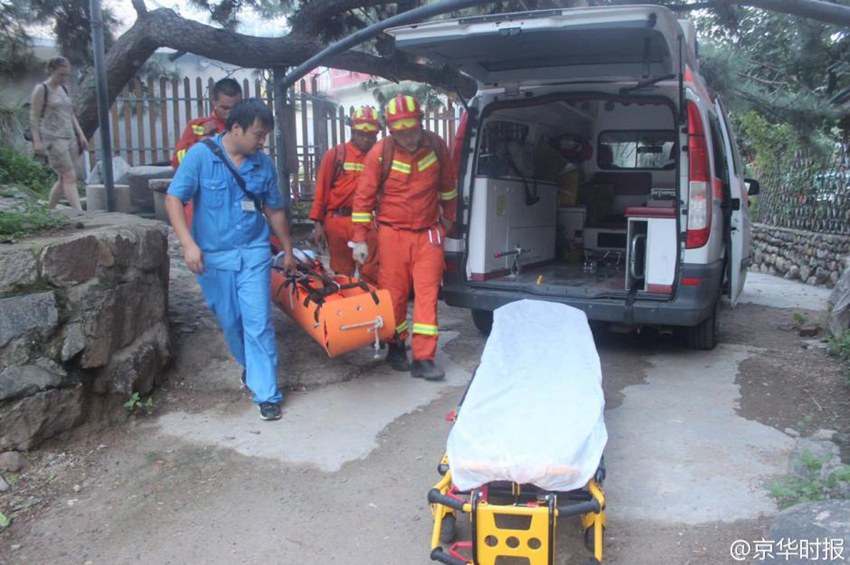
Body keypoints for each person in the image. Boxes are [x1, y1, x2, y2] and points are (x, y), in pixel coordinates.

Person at [165, 98, 296, 421]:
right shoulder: (200, 156)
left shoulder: (261, 164)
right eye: (258, 134)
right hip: (212, 258)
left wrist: (288, 250)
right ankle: (250, 367)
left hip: (253, 252)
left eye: (265, 135)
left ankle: (267, 393)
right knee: (231, 321)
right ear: (235, 129)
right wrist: (187, 244)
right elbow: (173, 199)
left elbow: (274, 209)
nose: (262, 141)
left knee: (258, 321)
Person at [350, 94, 457, 381]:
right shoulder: (380, 153)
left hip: (428, 235)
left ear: (421, 122)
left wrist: (447, 222)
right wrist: (359, 240)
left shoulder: (436, 146)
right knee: (393, 295)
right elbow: (363, 199)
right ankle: (396, 345)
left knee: (427, 294)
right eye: (401, 132)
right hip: (391, 233)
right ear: (390, 129)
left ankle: (423, 358)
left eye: (411, 130)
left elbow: (448, 188)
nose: (408, 137)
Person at [309, 105, 380, 285]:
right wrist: (318, 225)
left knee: (371, 271)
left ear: (376, 134)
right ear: (353, 132)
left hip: (366, 223)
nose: (365, 139)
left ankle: (370, 309)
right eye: (361, 134)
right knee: (342, 274)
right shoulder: (336, 155)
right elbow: (321, 192)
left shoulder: (380, 158)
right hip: (338, 222)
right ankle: (347, 309)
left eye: (370, 135)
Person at [171, 78, 243, 225]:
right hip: (205, 194)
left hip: (238, 194)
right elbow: (178, 162)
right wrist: (202, 142)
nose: (229, 113)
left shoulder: (246, 127)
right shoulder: (197, 126)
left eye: (234, 108)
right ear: (213, 102)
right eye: (224, 108)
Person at [29, 56, 88, 210]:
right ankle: (80, 214)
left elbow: (71, 114)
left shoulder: (64, 89)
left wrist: (81, 135)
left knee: (63, 178)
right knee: (70, 177)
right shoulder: (42, 89)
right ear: (51, 71)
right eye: (60, 74)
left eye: (66, 75)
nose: (64, 78)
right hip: (53, 138)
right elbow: (34, 116)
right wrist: (37, 140)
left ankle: (49, 210)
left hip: (70, 136)